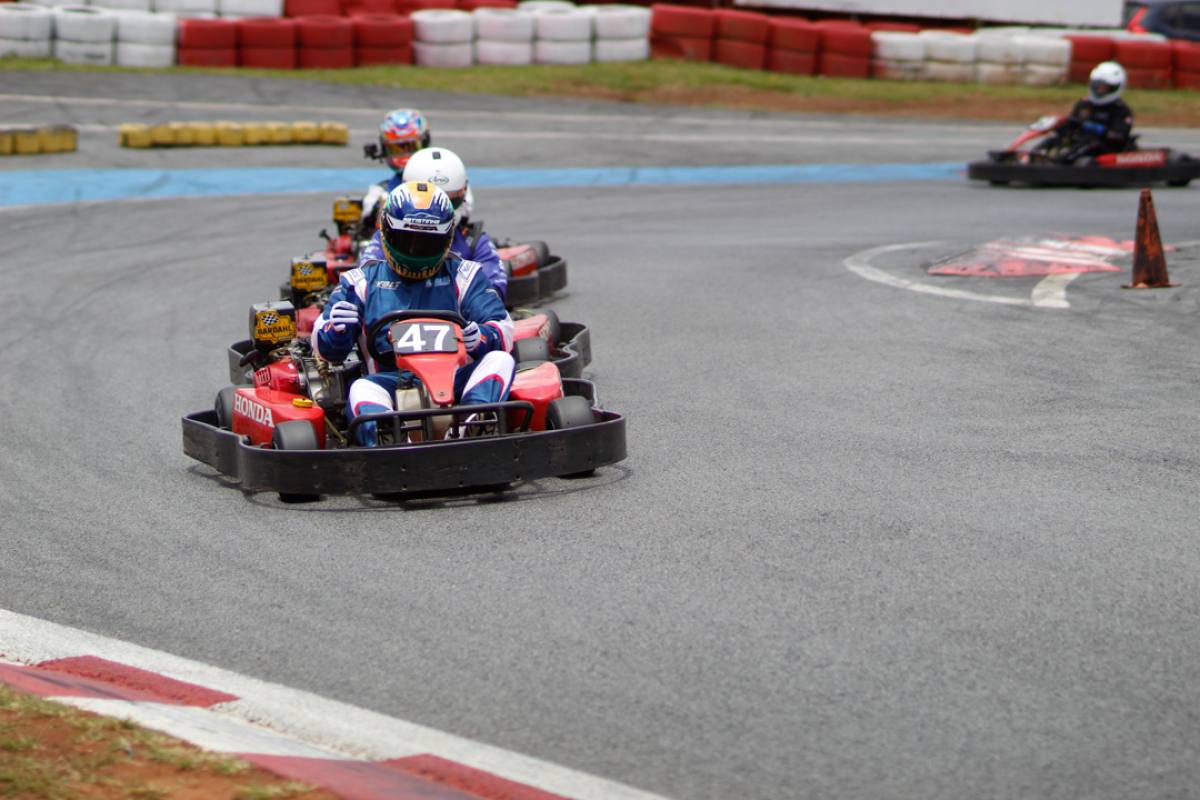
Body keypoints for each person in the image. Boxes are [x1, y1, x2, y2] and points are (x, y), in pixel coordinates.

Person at [313, 182, 515, 446]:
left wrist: (483, 338)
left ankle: (473, 424)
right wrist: (336, 332)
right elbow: (324, 347)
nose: (416, 251)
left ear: (446, 238)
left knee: (500, 360)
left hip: (454, 382)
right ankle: (390, 439)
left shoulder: (465, 275)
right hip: (389, 383)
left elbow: (502, 326)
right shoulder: (359, 281)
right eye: (407, 240)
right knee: (361, 388)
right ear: (386, 232)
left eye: (427, 242)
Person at [359, 147, 506, 301]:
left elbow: (493, 295)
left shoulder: (473, 241)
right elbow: (363, 285)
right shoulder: (385, 237)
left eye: (449, 198)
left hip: (456, 320)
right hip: (393, 319)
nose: (438, 209)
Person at [1039, 61, 1134, 164]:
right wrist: (1059, 128)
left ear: (1114, 88)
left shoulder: (1120, 110)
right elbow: (1072, 123)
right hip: (1081, 142)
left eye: (1103, 87)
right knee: (1056, 136)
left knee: (1090, 141)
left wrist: (1099, 130)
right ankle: (1035, 154)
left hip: (1107, 147)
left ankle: (1059, 163)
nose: (1099, 90)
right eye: (1097, 86)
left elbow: (1119, 136)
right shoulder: (1084, 104)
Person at [360, 108, 431, 231]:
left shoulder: (441, 182)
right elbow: (367, 216)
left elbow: (464, 209)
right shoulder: (380, 192)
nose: (404, 154)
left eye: (410, 146)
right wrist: (380, 208)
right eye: (397, 149)